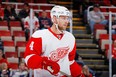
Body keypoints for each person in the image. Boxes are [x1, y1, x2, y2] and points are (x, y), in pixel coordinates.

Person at [24, 5, 92, 77]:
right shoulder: (40, 35)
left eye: (67, 18)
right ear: (54, 19)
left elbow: (70, 62)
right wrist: (46, 64)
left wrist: (80, 75)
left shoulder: (70, 38)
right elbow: (29, 59)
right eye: (63, 18)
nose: (66, 21)